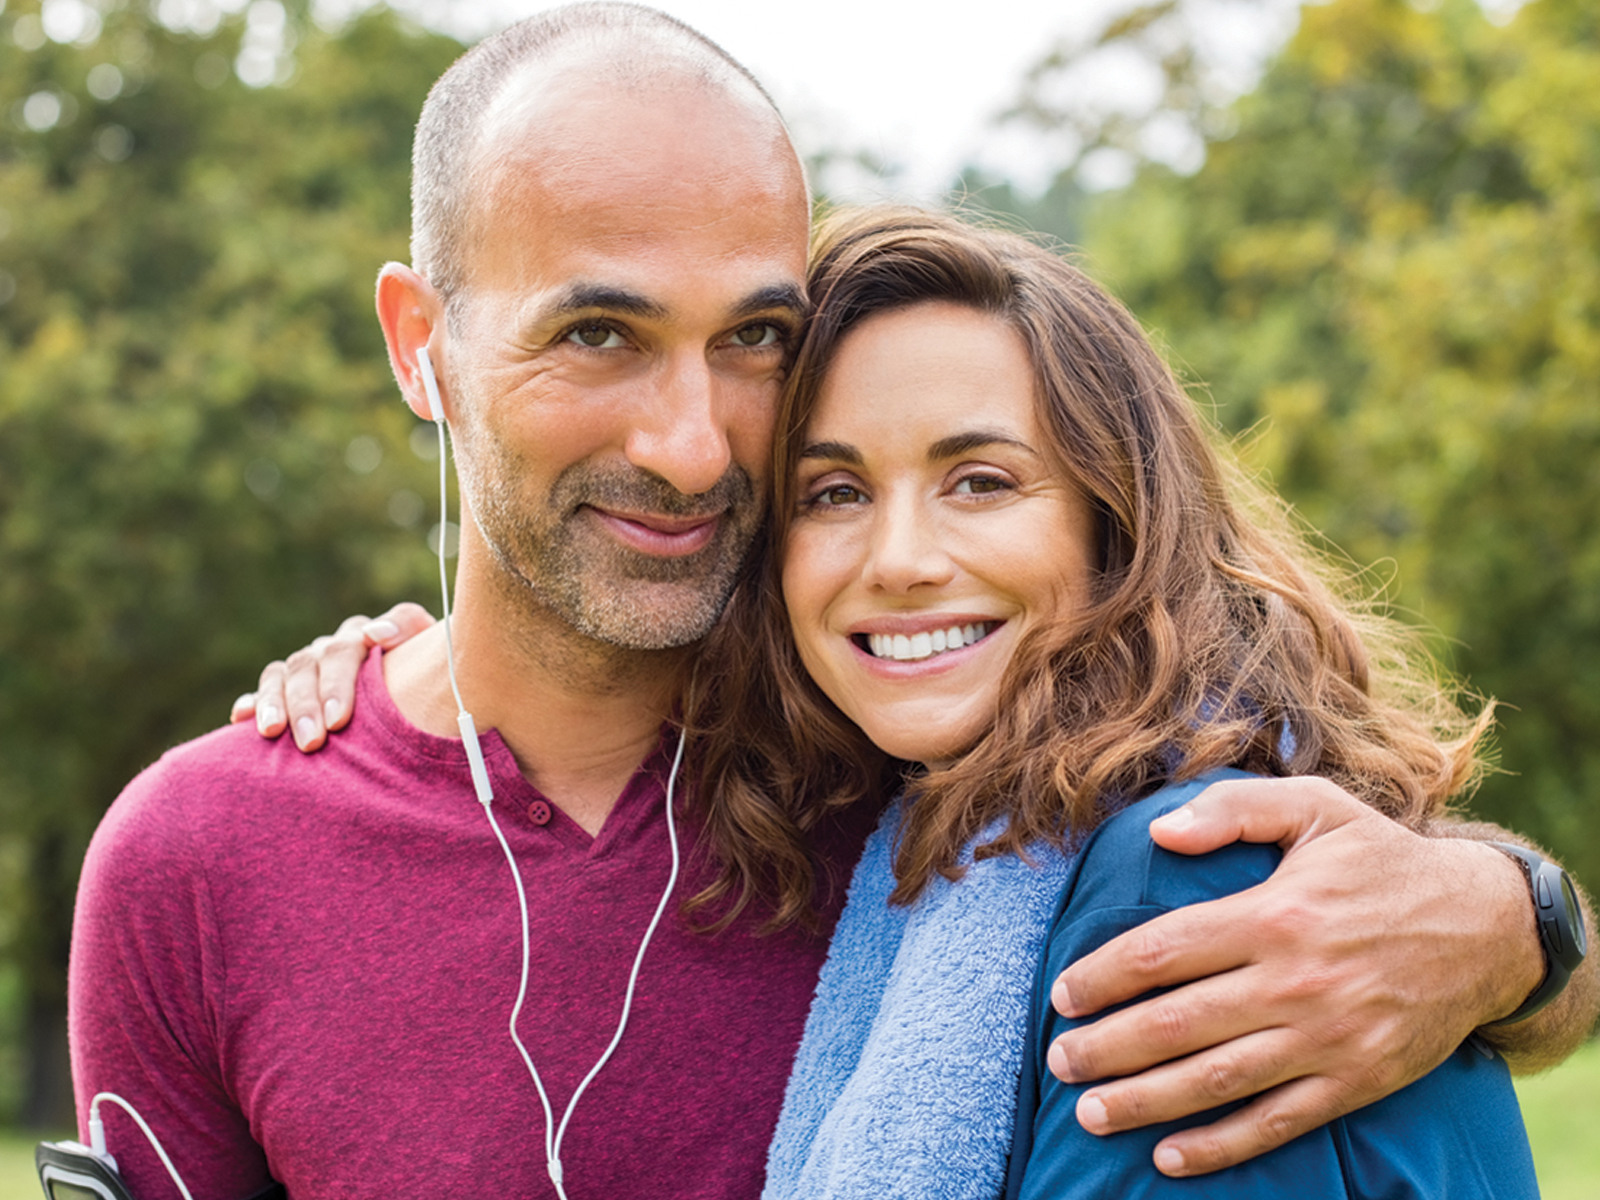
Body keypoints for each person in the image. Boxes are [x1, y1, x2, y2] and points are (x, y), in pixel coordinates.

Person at [72, 5, 1591, 1199]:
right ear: (423, 344)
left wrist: (1511, 919)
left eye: (751, 339)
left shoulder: (936, 766)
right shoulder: (200, 861)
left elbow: (1279, 855)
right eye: (597, 332)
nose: (687, 441)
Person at [731, 205, 1559, 1196]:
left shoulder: (1185, 871)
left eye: (981, 481)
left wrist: (1525, 920)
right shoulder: (880, 830)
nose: (900, 559)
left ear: (1113, 522)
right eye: (833, 493)